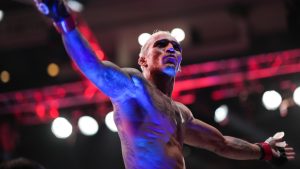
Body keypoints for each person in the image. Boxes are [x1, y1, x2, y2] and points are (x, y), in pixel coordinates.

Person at [32, 1, 295, 169]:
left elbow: (222, 143)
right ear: (142, 60)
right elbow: (92, 67)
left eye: (176, 47)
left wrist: (263, 151)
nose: (170, 48)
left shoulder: (181, 113)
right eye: (161, 44)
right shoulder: (133, 88)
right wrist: (64, 22)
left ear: (180, 64)